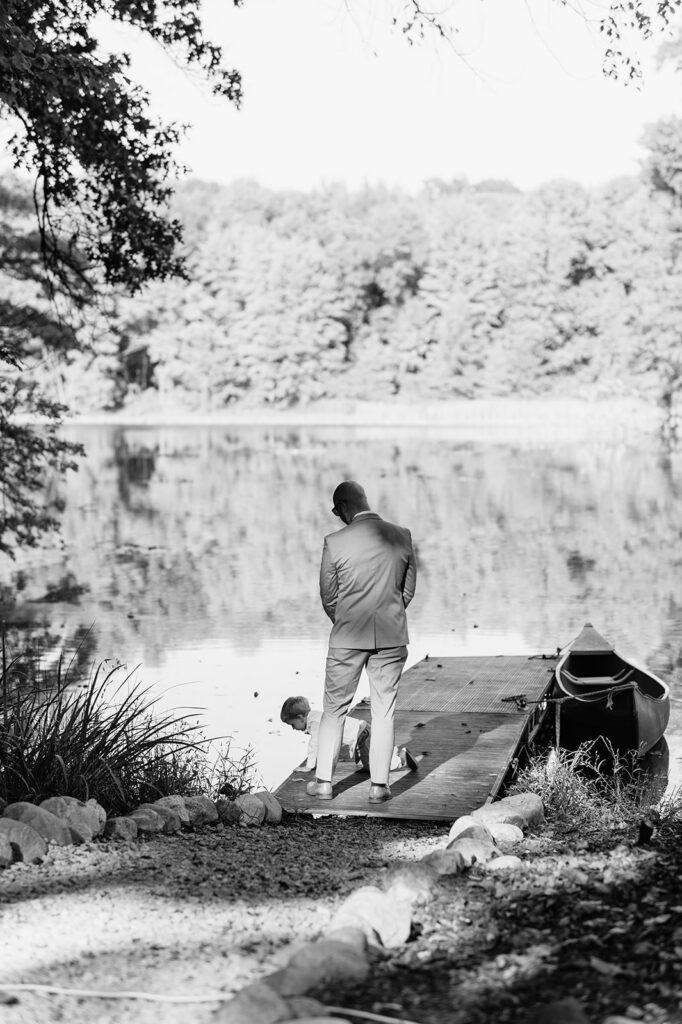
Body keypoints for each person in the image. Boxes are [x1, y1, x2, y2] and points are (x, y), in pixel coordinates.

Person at [308, 480, 417, 804]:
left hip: (347, 638)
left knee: (334, 709)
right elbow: (407, 591)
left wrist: (347, 620)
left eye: (335, 511)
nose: (336, 517)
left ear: (342, 506)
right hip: (390, 636)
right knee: (384, 710)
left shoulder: (335, 542)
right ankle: (379, 788)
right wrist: (387, 617)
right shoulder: (401, 535)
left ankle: (324, 783)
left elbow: (329, 597)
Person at [280, 695, 418, 774]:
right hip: (361, 731)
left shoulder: (315, 723)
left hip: (360, 735)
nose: (293, 728)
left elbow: (315, 745)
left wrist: (309, 766)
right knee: (364, 765)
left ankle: (401, 760)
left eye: (292, 724)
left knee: (374, 766)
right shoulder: (316, 717)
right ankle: (391, 752)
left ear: (300, 717)